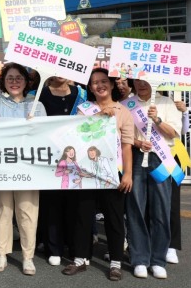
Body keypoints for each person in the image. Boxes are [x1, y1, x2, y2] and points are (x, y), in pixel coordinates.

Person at [0, 45, 45, 275]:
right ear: (3, 82)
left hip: (27, 168)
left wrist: (36, 123)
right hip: (1, 166)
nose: (14, 81)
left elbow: (46, 135)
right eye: (10, 78)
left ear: (26, 81)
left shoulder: (36, 105)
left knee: (27, 212)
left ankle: (27, 257)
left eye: (19, 78)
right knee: (2, 210)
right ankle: (1, 254)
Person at [72, 67, 134, 281]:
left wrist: (127, 174)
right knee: (82, 215)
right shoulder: (84, 109)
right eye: (95, 82)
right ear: (90, 87)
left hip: (112, 172)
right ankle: (80, 258)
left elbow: (127, 146)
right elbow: (78, 134)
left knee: (114, 218)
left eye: (103, 81)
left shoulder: (123, 111)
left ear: (111, 83)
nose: (100, 85)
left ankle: (116, 262)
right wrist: (98, 116)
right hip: (87, 172)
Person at [125, 79, 182, 279]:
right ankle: (139, 258)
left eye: (146, 81)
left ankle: (158, 260)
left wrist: (157, 119)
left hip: (162, 158)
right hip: (137, 156)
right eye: (138, 81)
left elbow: (175, 133)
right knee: (136, 208)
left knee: (161, 208)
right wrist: (139, 142)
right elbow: (122, 136)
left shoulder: (166, 103)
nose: (142, 84)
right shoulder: (128, 104)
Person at [37, 76, 87, 267]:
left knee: (75, 205)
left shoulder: (82, 94)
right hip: (49, 158)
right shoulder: (39, 94)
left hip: (77, 158)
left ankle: (75, 247)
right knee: (52, 204)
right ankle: (54, 248)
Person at [168, 98, 190, 264]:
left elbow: (183, 131)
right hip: (148, 156)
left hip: (172, 158)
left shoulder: (172, 103)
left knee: (172, 203)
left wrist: (184, 112)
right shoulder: (138, 103)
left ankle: (171, 246)